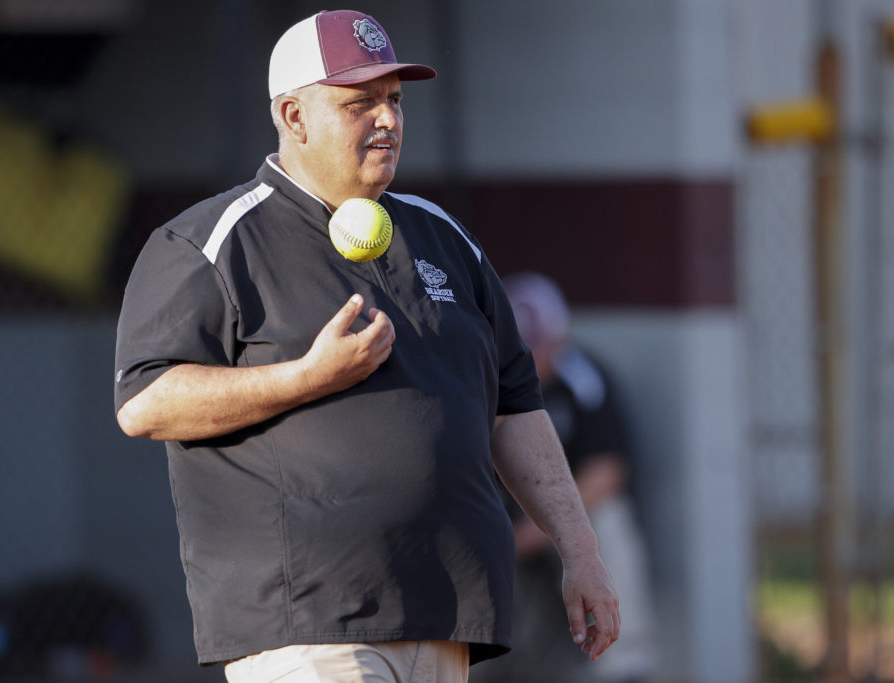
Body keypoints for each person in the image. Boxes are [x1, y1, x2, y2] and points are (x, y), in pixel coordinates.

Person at [113, 10, 619, 683]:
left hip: (446, 617)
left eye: (395, 100)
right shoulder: (211, 240)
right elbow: (143, 402)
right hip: (309, 626)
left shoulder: (444, 236)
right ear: (293, 117)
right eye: (360, 102)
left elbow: (517, 407)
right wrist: (306, 377)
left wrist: (580, 551)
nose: (387, 119)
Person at [479, 272, 657, 683]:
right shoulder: (483, 376)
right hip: (498, 514)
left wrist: (541, 531)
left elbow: (607, 471)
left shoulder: (585, 379)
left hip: (556, 518)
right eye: (521, 342)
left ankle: (623, 665)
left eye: (538, 342)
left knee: (610, 520)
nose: (531, 353)